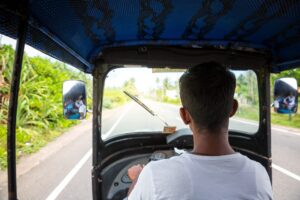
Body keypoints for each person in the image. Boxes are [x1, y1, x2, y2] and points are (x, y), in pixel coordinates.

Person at [127, 62, 273, 200]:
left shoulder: (153, 175)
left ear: (184, 115)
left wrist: (138, 178)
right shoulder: (258, 175)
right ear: (233, 108)